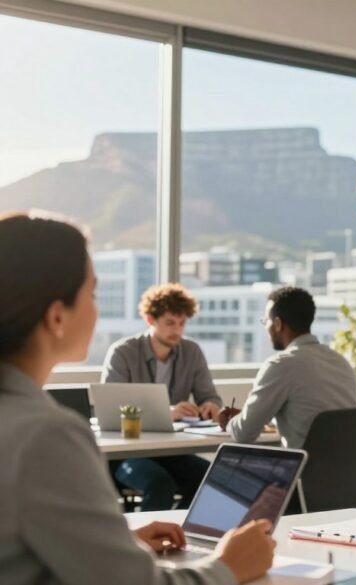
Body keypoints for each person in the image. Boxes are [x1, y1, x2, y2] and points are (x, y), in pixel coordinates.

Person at [0, 212, 275, 585]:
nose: (98, 309)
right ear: (56, 317)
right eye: (92, 293)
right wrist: (228, 566)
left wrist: (118, 545)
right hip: (132, 455)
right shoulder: (45, 436)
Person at [102, 283, 223, 510]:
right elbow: (111, 408)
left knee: (212, 480)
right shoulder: (123, 352)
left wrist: (209, 406)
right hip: (127, 454)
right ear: (150, 320)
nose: (176, 330)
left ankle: (180, 533)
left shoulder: (192, 352)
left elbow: (211, 397)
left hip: (172, 451)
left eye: (182, 323)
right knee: (159, 484)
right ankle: (144, 544)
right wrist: (165, 412)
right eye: (169, 322)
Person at [219, 286, 356, 448]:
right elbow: (308, 416)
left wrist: (231, 422)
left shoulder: (281, 365)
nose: (266, 327)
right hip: (347, 471)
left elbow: (243, 434)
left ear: (278, 324)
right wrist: (246, 416)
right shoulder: (341, 362)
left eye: (266, 321)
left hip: (302, 471)